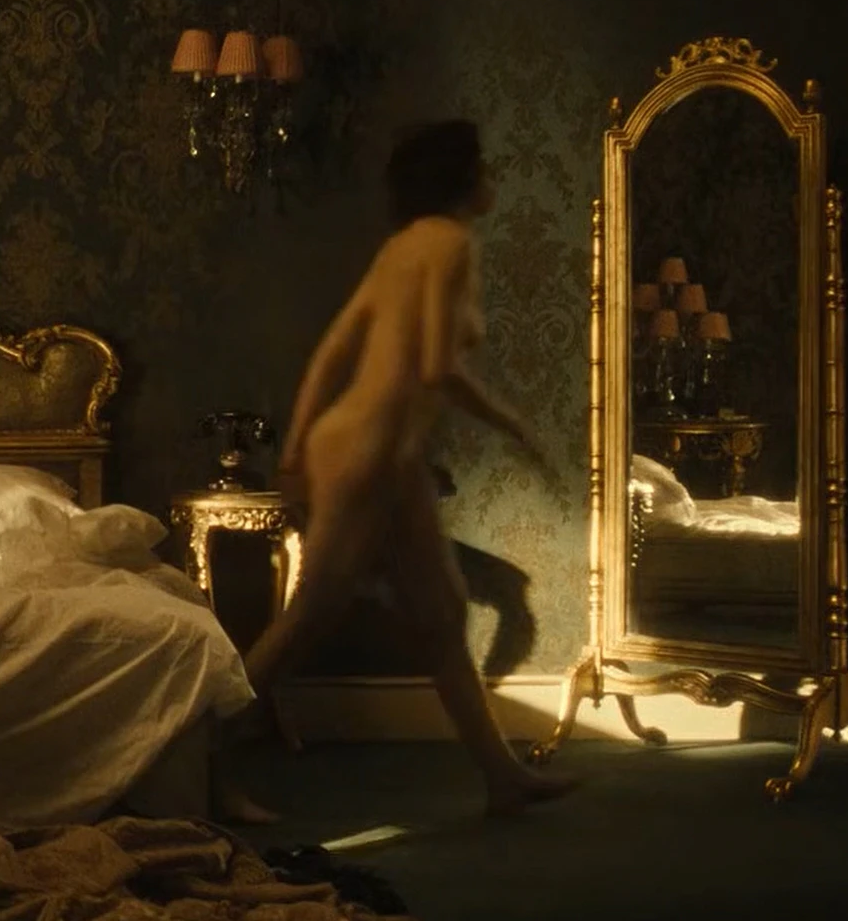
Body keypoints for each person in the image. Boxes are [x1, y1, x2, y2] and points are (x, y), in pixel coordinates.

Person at [223, 120, 581, 820]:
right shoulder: (450, 243)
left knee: (443, 615)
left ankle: (503, 777)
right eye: (484, 167)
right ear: (462, 178)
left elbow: (333, 350)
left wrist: (297, 447)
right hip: (371, 451)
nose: (492, 179)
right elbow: (435, 366)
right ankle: (198, 752)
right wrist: (514, 424)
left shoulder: (402, 246)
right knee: (311, 615)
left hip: (378, 450)